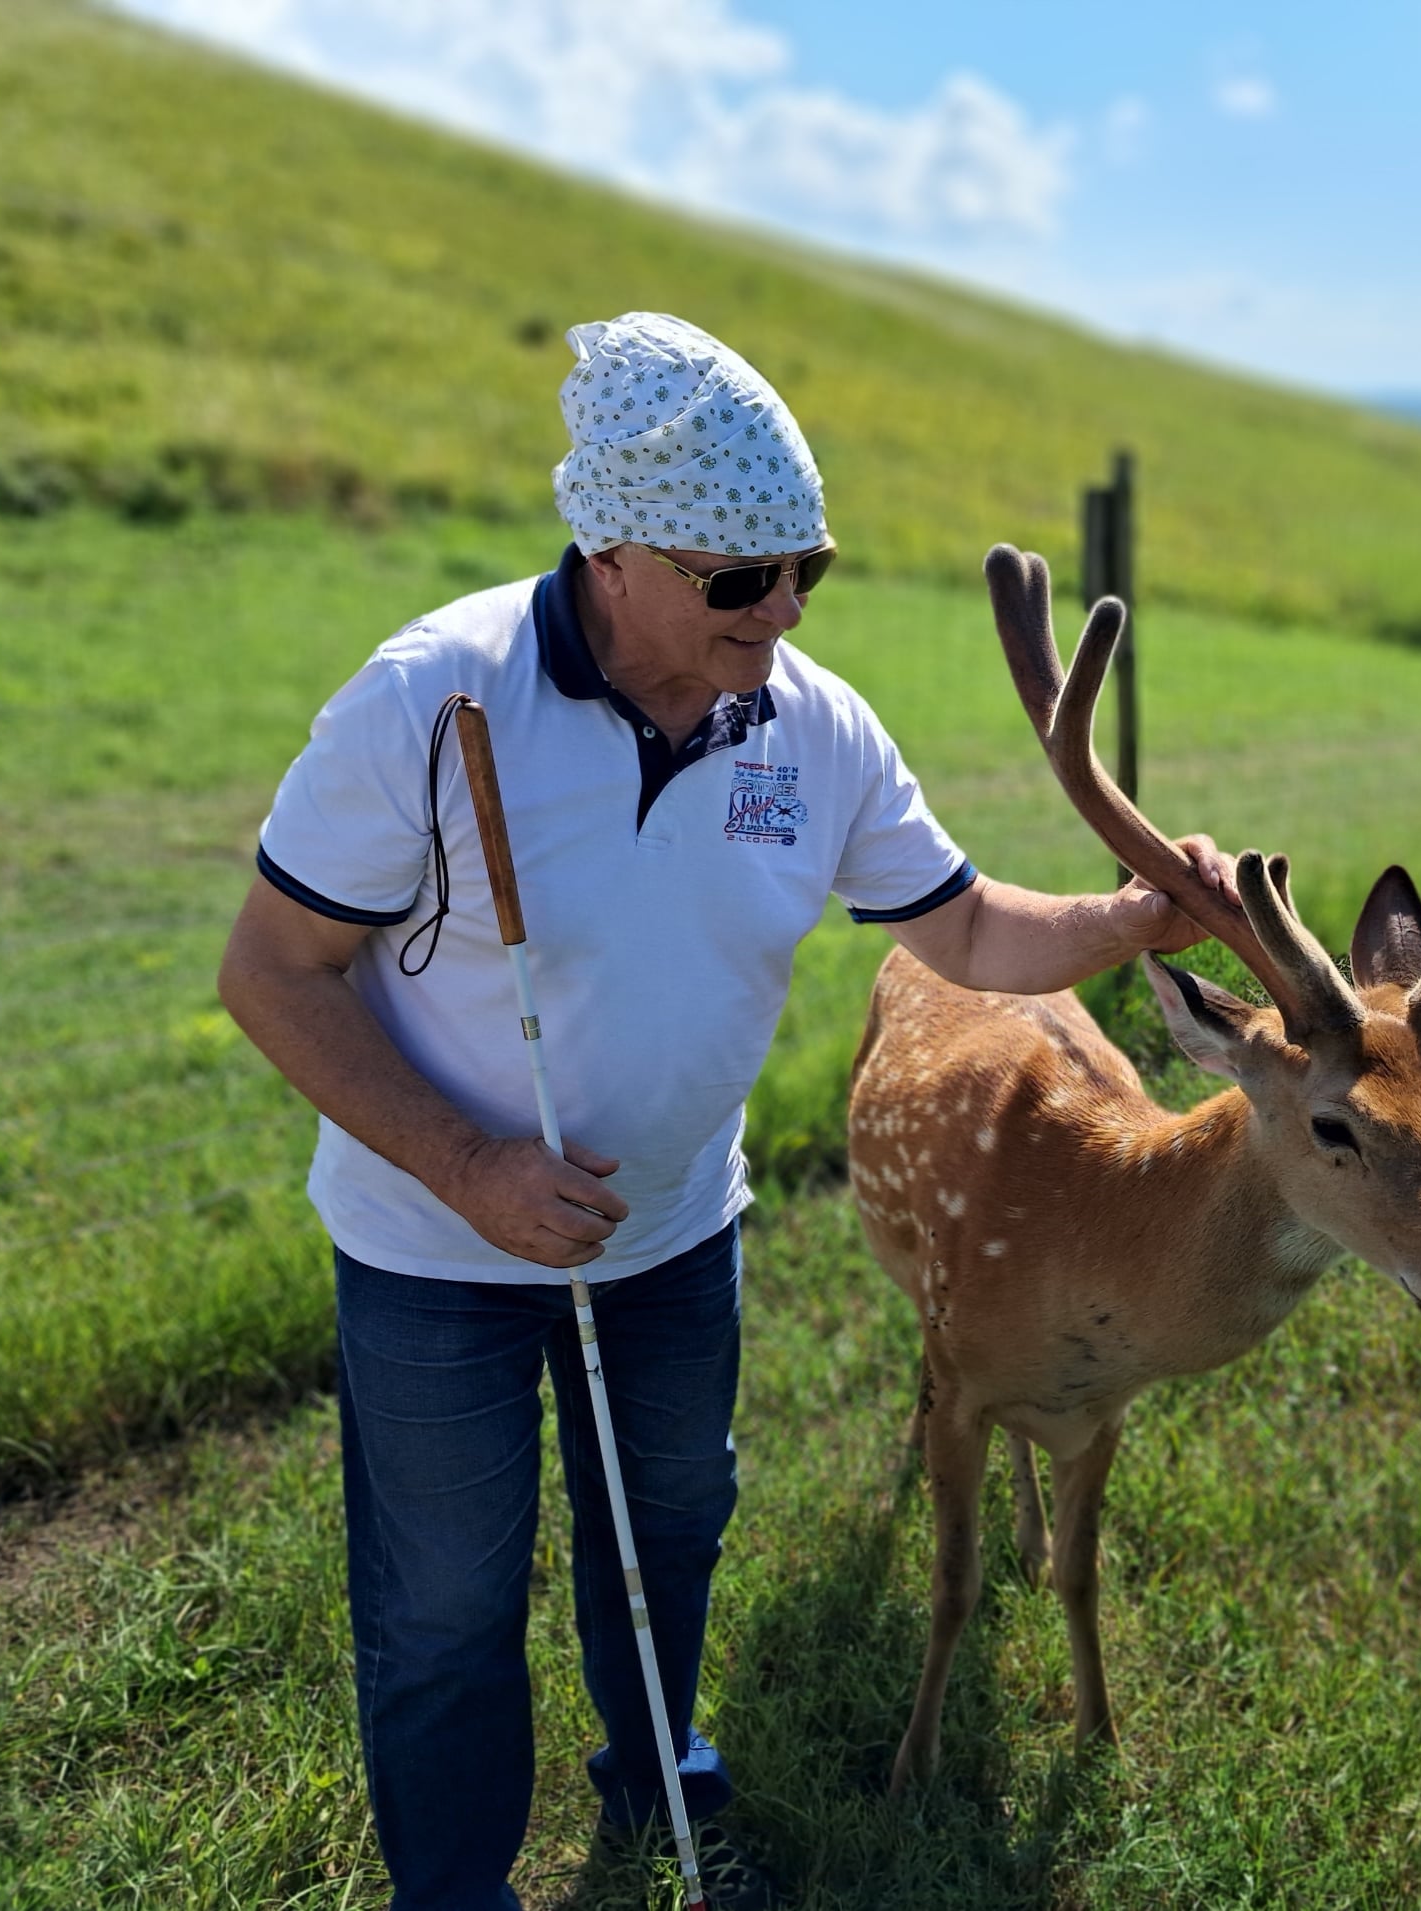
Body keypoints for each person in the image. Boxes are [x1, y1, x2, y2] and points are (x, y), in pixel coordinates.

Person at [217, 312, 1234, 1911]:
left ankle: (661, 1806)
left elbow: (962, 933)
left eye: (805, 570)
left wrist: (1125, 919)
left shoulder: (812, 724)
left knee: (675, 1523)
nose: (784, 608)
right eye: (738, 579)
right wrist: (472, 1166)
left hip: (677, 1232)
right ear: (610, 550)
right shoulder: (434, 699)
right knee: (444, 1601)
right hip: (434, 1247)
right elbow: (275, 973)